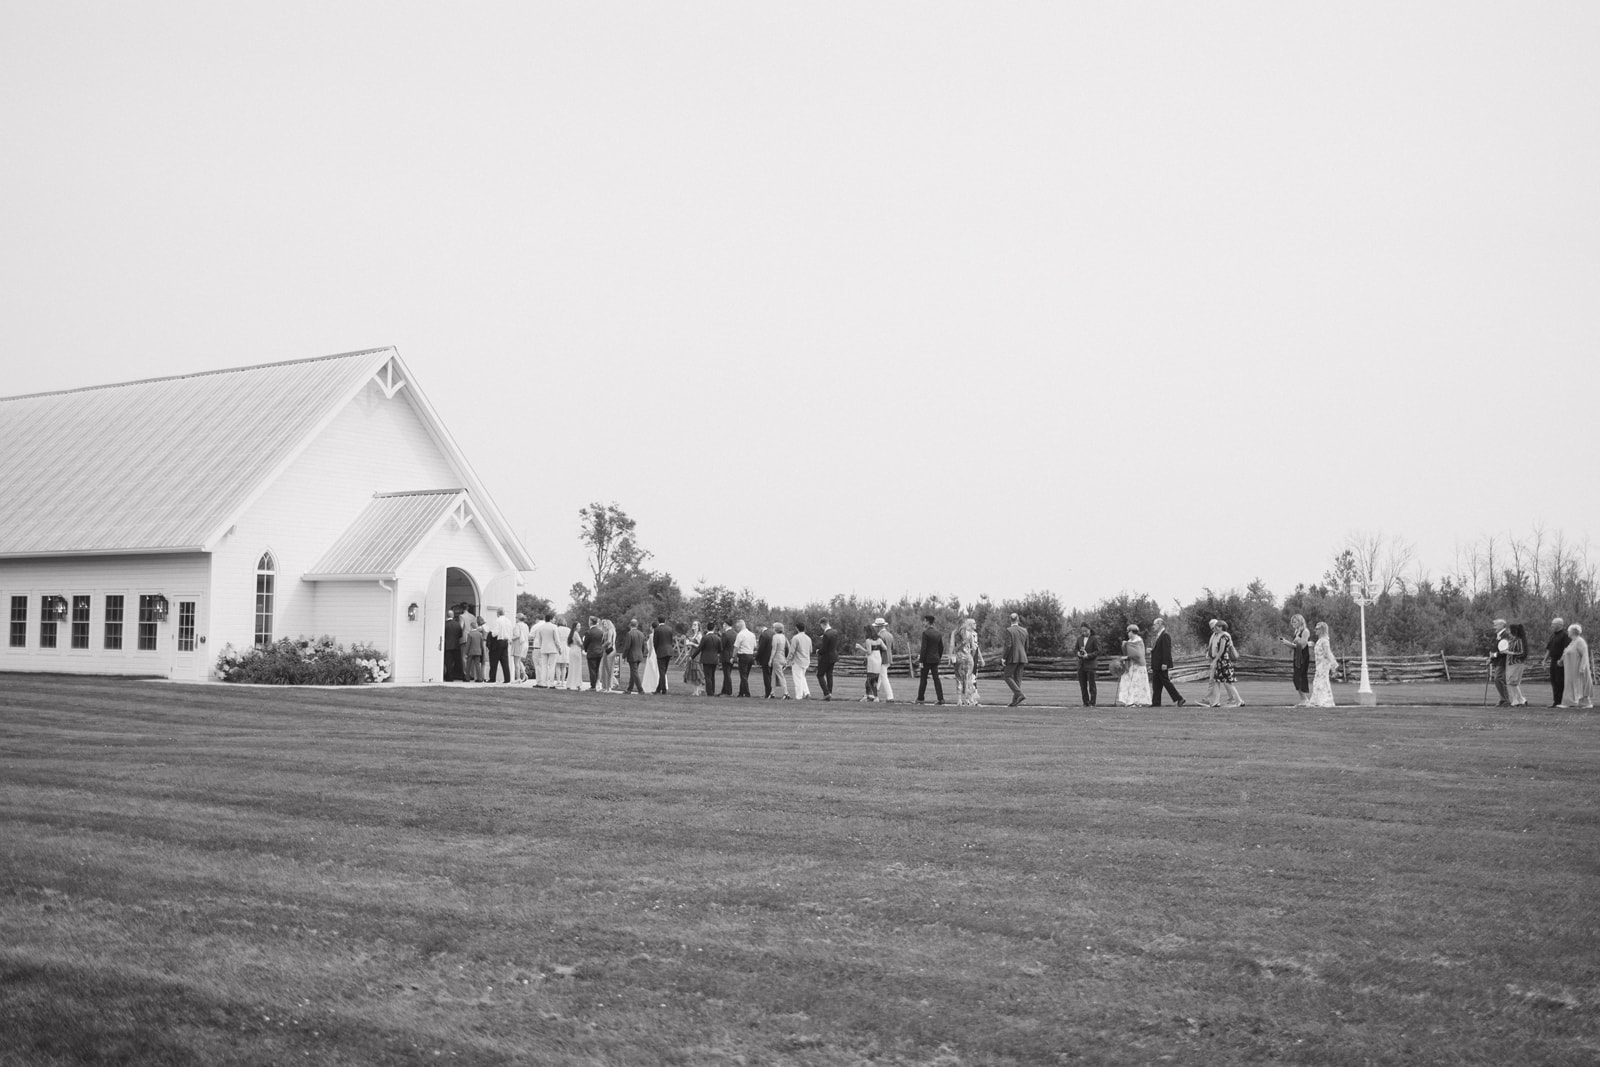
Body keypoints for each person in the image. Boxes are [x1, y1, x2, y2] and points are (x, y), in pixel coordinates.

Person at [1148, 617, 1186, 707]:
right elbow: (1159, 650)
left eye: (1155, 624)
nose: (1153, 626)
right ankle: (1156, 703)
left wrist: (1165, 663)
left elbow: (1166, 650)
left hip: (1161, 664)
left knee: (1166, 682)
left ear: (1160, 624)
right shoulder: (1159, 635)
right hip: (1157, 664)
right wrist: (1152, 650)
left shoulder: (1165, 635)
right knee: (1156, 684)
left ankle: (1180, 698)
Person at [1279, 614, 1312, 706]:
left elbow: (1303, 646)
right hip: (1297, 656)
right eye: (1292, 622)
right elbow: (1295, 647)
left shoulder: (1305, 631)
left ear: (1300, 621)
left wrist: (1289, 642)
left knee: (1298, 677)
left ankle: (1305, 699)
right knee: (1296, 677)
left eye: (1295, 621)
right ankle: (1303, 699)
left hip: (1303, 657)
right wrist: (1286, 643)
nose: (1293, 623)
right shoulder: (1297, 631)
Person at [1116, 624, 1152, 706]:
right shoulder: (1129, 641)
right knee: (1129, 683)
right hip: (1131, 665)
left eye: (1128, 632)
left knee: (1137, 683)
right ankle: (1129, 700)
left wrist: (1127, 649)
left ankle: (1136, 701)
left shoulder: (1138, 641)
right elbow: (1127, 651)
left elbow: (1138, 653)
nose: (1128, 633)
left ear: (1132, 632)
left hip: (1138, 666)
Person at [952, 617, 983, 706]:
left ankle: (959, 700)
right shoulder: (969, 635)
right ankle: (967, 699)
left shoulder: (955, 635)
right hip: (968, 658)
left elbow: (952, 647)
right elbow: (974, 648)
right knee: (968, 678)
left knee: (958, 679)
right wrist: (972, 656)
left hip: (958, 658)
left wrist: (953, 656)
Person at [916, 614, 946, 705]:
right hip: (935, 659)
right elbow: (941, 647)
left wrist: (921, 661)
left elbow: (923, 648)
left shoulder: (925, 633)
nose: (923, 623)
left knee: (923, 679)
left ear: (928, 622)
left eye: (924, 621)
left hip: (926, 660)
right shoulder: (938, 633)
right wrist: (938, 657)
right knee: (936, 679)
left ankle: (920, 698)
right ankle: (941, 699)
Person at [1561, 623, 1593, 708]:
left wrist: (1582, 667)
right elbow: (1567, 652)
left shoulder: (1580, 641)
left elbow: (1585, 655)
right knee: (1570, 684)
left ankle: (1585, 702)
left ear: (1573, 632)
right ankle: (1570, 702)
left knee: (1580, 684)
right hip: (1570, 668)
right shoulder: (1573, 641)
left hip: (1577, 668)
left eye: (1569, 631)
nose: (1568, 632)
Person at [1002, 612, 1028, 707]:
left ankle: (1020, 694)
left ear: (1010, 620)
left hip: (1013, 657)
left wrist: (1004, 657)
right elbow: (1026, 646)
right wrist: (1024, 655)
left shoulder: (1009, 630)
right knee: (1017, 679)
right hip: (1022, 657)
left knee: (1007, 676)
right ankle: (1014, 702)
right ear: (1018, 620)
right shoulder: (1024, 630)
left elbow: (1008, 645)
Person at [1309, 621, 1337, 707]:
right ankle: (1317, 701)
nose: (1315, 630)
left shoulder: (1324, 641)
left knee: (1322, 682)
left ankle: (1325, 701)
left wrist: (1333, 665)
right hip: (1319, 665)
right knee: (1317, 682)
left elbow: (1328, 653)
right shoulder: (1320, 641)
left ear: (1322, 630)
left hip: (1324, 665)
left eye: (1317, 629)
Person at [530, 612, 561, 688]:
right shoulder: (554, 627)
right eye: (553, 618)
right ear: (550, 619)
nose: (554, 620)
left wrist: (541, 646)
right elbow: (556, 639)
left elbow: (539, 639)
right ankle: (551, 683)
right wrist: (559, 648)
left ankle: (543, 682)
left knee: (544, 666)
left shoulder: (541, 627)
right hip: (553, 649)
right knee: (551, 666)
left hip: (543, 648)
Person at [1545, 618, 1570, 708]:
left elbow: (1566, 649)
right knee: (1553, 681)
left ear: (1559, 625)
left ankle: (1560, 701)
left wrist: (1561, 660)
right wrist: (1544, 659)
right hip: (1553, 660)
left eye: (1553, 624)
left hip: (1560, 661)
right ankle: (1556, 701)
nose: (1552, 626)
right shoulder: (1553, 636)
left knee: (1560, 681)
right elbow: (1549, 648)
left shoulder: (1565, 635)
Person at [855, 626, 885, 701]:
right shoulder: (879, 639)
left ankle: (872, 696)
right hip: (878, 659)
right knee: (875, 679)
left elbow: (869, 652)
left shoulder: (868, 640)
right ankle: (872, 696)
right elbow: (885, 648)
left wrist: (860, 647)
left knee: (870, 679)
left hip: (872, 660)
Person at [1074, 624, 1100, 706]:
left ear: (1089, 629)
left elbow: (1097, 651)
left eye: (1085, 631)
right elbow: (1076, 649)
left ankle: (1092, 703)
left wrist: (1088, 655)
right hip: (1081, 665)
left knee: (1092, 685)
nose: (1084, 633)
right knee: (1083, 685)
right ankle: (1085, 703)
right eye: (1082, 631)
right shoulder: (1079, 639)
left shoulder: (1094, 639)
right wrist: (1078, 653)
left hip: (1091, 665)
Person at [620, 619, 648, 695]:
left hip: (632, 655)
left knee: (634, 673)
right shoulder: (641, 634)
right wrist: (642, 654)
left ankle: (640, 690)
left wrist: (624, 656)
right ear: (637, 625)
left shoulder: (629, 634)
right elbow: (643, 646)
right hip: (639, 655)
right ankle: (629, 689)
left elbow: (627, 647)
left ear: (630, 625)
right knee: (633, 672)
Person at [815, 618, 840, 700]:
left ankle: (826, 693)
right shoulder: (835, 632)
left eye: (821, 625)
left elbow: (824, 648)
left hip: (826, 657)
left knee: (820, 675)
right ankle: (830, 692)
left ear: (823, 624)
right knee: (829, 675)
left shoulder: (826, 634)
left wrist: (818, 651)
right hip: (833, 656)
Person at [486, 609, 514, 683]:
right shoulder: (508, 621)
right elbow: (510, 632)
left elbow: (495, 633)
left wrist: (491, 634)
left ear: (498, 613)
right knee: (505, 661)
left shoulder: (497, 621)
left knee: (494, 660)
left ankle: (492, 678)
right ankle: (507, 679)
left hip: (498, 641)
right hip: (506, 641)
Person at [1489, 617, 1511, 707]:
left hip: (1503, 661)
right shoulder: (1499, 635)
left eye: (1496, 625)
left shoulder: (1505, 635)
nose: (1494, 627)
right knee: (1499, 679)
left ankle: (1505, 700)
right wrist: (1491, 659)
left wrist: (1493, 656)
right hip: (1498, 661)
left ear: (1502, 625)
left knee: (1498, 679)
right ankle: (1503, 699)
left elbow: (1504, 651)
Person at [873, 617, 896, 703]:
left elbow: (877, 649)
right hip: (889, 658)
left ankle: (890, 697)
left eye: (876, 627)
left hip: (882, 659)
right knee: (880, 677)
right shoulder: (890, 635)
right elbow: (893, 647)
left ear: (879, 627)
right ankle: (873, 694)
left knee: (884, 677)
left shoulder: (879, 636)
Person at [650, 616, 675, 694]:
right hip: (669, 651)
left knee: (662, 671)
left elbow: (655, 642)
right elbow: (671, 640)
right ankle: (658, 689)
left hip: (661, 651)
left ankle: (663, 690)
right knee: (664, 671)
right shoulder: (670, 629)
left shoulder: (657, 630)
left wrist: (657, 651)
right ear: (665, 620)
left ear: (658, 621)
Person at [1506, 622, 1529, 707]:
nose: (1508, 631)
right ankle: (1519, 699)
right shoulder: (1512, 640)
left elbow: (1522, 653)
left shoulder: (1519, 641)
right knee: (1511, 682)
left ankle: (1519, 699)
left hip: (1516, 663)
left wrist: (1509, 652)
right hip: (1511, 663)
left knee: (1512, 681)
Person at [582, 616, 608, 691]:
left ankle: (593, 686)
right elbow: (602, 642)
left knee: (592, 670)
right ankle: (596, 684)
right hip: (599, 652)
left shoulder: (589, 632)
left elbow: (585, 643)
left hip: (592, 652)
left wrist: (586, 650)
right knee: (596, 669)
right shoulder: (600, 632)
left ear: (590, 622)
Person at [733, 619, 757, 697]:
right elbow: (755, 646)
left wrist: (733, 657)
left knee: (743, 676)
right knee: (745, 675)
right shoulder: (752, 634)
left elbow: (736, 647)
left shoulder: (740, 634)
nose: (737, 628)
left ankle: (747, 693)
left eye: (737, 627)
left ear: (740, 626)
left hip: (743, 655)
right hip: (750, 655)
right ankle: (741, 692)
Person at [789, 621, 813, 700]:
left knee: (797, 679)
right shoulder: (808, 638)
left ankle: (799, 696)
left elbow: (792, 651)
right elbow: (810, 650)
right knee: (802, 677)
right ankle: (806, 692)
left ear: (797, 628)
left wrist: (788, 659)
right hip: (806, 661)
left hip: (797, 661)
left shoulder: (795, 638)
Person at [699, 623, 724, 696]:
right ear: (714, 628)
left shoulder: (705, 638)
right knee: (712, 676)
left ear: (707, 628)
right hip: (714, 659)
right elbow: (720, 649)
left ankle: (709, 692)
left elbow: (699, 648)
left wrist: (692, 656)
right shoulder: (718, 638)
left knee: (707, 676)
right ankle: (712, 690)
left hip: (706, 659)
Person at [682, 620, 705, 696]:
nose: (693, 625)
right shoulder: (694, 634)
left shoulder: (699, 635)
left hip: (697, 655)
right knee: (693, 672)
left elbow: (700, 646)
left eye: (695, 624)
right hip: (692, 653)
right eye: (693, 624)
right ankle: (697, 690)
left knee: (697, 672)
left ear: (698, 626)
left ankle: (698, 690)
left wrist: (691, 643)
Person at [768, 622, 789, 699]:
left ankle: (786, 693)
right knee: (773, 675)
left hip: (777, 658)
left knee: (780, 676)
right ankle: (772, 692)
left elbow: (774, 649)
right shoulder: (784, 637)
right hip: (782, 657)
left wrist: (770, 659)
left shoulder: (775, 637)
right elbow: (788, 647)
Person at [755, 621, 775, 697]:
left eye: (757, 628)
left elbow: (761, 648)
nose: (757, 630)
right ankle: (772, 692)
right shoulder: (772, 633)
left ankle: (768, 693)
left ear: (760, 627)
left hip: (765, 658)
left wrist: (757, 658)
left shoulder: (763, 635)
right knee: (771, 676)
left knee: (766, 676)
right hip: (773, 658)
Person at [443, 609, 464, 681]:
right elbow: (460, 634)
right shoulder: (457, 624)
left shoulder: (444, 624)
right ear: (453, 615)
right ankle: (458, 675)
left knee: (448, 662)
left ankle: (449, 677)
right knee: (457, 662)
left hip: (447, 645)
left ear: (447, 615)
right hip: (456, 645)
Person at [511, 612, 531, 683]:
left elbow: (516, 635)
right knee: (519, 661)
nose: (515, 619)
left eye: (516, 617)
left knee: (516, 662)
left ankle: (518, 678)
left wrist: (510, 638)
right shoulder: (526, 626)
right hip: (525, 644)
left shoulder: (517, 625)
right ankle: (525, 675)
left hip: (518, 644)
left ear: (518, 618)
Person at [719, 622, 737, 696]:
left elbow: (721, 646)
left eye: (723, 624)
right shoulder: (735, 633)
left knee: (727, 674)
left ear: (725, 625)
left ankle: (728, 691)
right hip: (732, 655)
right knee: (728, 673)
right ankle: (724, 690)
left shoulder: (725, 634)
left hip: (726, 656)